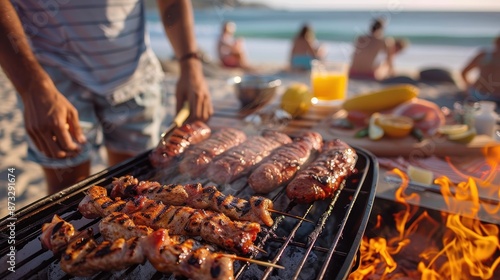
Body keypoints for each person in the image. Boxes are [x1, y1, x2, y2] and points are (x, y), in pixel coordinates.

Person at [0, 0, 213, 194]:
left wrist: (190, 63)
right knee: (66, 191)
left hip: (134, 75)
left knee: (133, 186)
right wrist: (32, 86)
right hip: (51, 77)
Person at [461, 36, 500, 105]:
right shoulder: (483, 55)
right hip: (477, 94)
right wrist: (468, 86)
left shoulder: (484, 55)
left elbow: (464, 72)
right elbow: (464, 72)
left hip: (494, 96)